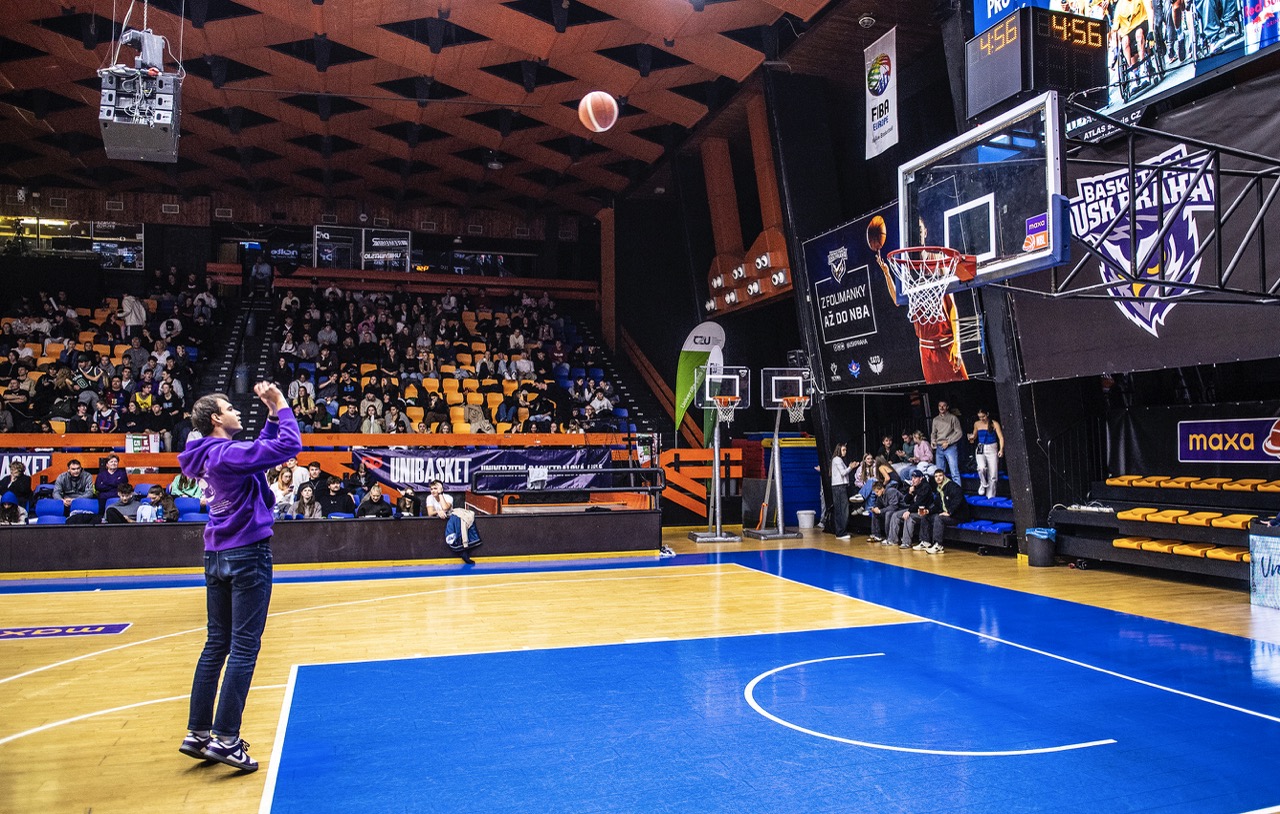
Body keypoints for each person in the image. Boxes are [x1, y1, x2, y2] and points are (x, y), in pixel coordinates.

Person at [176, 382, 301, 772]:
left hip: (216, 554)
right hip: (248, 552)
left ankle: (198, 733)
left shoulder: (207, 455)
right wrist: (282, 404)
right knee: (244, 648)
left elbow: (257, 455)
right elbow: (289, 446)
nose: (237, 411)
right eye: (230, 408)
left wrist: (270, 416)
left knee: (216, 644)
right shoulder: (227, 453)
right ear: (216, 418)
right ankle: (227, 739)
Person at [425, 479, 482, 563]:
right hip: (440, 520)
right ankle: (461, 551)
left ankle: (463, 549)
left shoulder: (448, 497)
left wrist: (440, 494)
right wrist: (438, 511)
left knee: (456, 519)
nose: (433, 491)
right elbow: (430, 513)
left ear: (441, 489)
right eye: (431, 489)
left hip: (452, 519)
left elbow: (445, 508)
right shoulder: (429, 498)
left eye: (435, 488)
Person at [918, 469, 968, 555]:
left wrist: (949, 512)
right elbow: (937, 505)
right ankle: (925, 542)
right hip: (947, 515)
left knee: (939, 518)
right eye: (936, 476)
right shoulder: (939, 489)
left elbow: (958, 500)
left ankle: (938, 545)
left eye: (940, 476)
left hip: (957, 516)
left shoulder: (953, 486)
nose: (938, 478)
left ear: (944, 476)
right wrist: (928, 511)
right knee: (926, 516)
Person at [893, 469, 938, 550]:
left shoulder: (925, 487)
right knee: (895, 515)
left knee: (909, 517)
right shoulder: (914, 487)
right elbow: (906, 501)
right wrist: (910, 493)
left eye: (915, 478)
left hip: (924, 512)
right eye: (912, 478)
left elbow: (919, 503)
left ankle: (906, 542)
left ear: (921, 478)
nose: (913, 480)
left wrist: (909, 511)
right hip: (914, 510)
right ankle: (892, 540)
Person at [968, 407, 1005, 499]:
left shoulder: (994, 423)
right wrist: (971, 438)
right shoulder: (977, 423)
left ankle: (990, 496)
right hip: (981, 447)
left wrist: (1001, 449)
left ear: (987, 414)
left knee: (993, 475)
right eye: (980, 417)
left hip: (992, 447)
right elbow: (974, 436)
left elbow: (1001, 437)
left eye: (983, 416)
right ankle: (983, 483)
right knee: (981, 468)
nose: (982, 419)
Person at [931, 400, 964, 483]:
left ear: (947, 407)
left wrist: (949, 442)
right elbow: (933, 433)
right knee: (939, 473)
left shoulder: (953, 418)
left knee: (954, 472)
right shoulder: (935, 419)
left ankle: (957, 491)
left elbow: (959, 433)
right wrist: (933, 441)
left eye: (944, 406)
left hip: (950, 447)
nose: (941, 407)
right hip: (939, 447)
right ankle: (942, 490)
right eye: (940, 406)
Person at [867, 480, 904, 544]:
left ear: (882, 489)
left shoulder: (891, 491)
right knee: (875, 513)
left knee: (888, 514)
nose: (876, 494)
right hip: (893, 509)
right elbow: (878, 505)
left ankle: (889, 538)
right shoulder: (880, 495)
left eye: (877, 492)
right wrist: (875, 508)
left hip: (901, 509)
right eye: (875, 492)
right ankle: (876, 535)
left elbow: (894, 506)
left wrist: (880, 511)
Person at [828, 442, 851, 541]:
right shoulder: (837, 459)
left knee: (840, 510)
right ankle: (841, 532)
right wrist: (851, 467)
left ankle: (840, 531)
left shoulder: (837, 459)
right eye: (843, 450)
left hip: (838, 487)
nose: (845, 452)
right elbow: (843, 472)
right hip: (839, 487)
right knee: (843, 510)